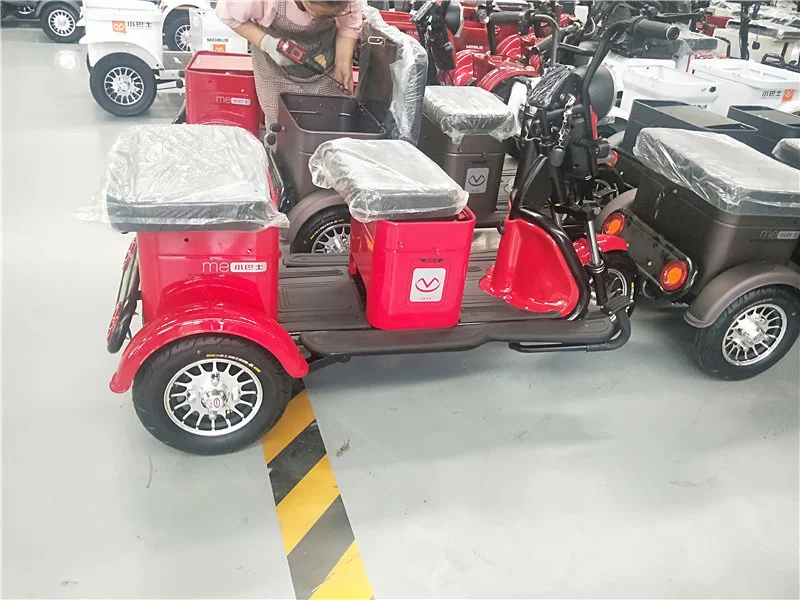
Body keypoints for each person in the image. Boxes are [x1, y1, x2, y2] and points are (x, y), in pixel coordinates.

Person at [216, 0, 362, 123]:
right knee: (281, 126)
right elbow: (228, 16)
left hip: (325, 68)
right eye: (324, 16)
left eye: (335, 14)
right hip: (275, 71)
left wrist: (343, 62)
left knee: (330, 120)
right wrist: (266, 43)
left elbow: (349, 25)